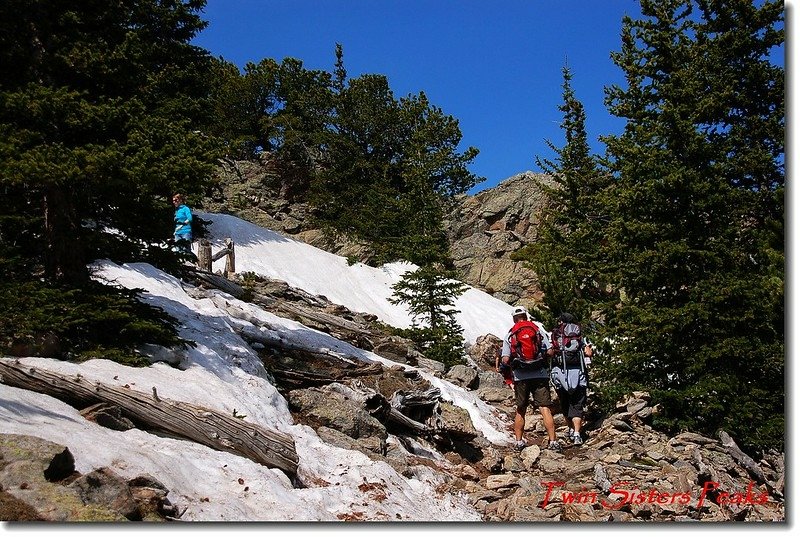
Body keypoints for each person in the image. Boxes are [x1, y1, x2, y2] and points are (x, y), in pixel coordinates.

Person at [500, 306, 561, 452]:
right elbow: (550, 351)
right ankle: (553, 441)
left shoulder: (511, 334)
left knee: (521, 409)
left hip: (521, 376)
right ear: (526, 316)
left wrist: (509, 367)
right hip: (540, 374)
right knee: (545, 408)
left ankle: (519, 442)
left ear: (514, 319)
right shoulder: (537, 329)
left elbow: (505, 358)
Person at [548, 312, 593, 446]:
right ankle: (578, 434)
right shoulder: (579, 335)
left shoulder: (556, 335)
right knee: (578, 404)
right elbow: (588, 352)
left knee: (565, 403)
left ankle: (571, 429)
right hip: (578, 374)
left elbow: (550, 352)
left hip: (561, 374)